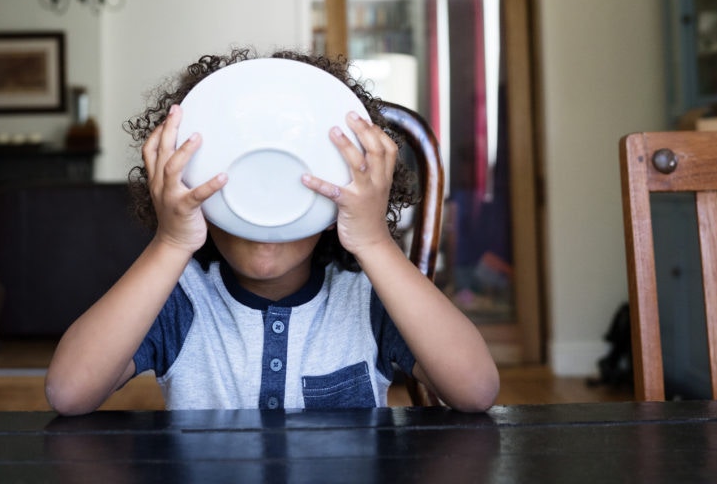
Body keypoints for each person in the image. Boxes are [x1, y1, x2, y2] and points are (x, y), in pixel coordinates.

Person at [45, 48, 499, 414]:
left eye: (289, 189)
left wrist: (374, 240)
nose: (265, 218)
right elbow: (69, 392)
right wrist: (170, 242)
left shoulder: (369, 298)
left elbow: (476, 390)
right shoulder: (181, 300)